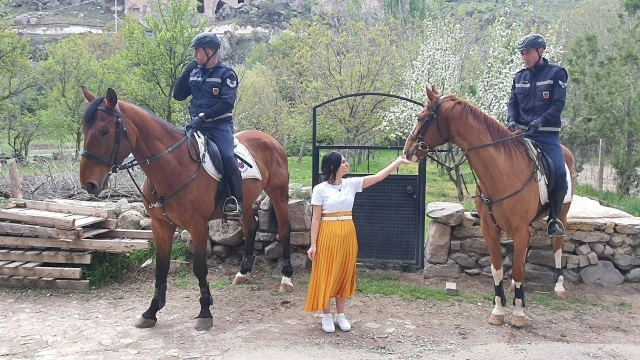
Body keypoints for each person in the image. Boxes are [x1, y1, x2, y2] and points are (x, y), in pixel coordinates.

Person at [304, 152, 411, 333]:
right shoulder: (320, 189)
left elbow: (377, 177)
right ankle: (326, 315)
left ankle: (340, 314)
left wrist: (397, 162)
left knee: (344, 271)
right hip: (328, 233)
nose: (347, 164)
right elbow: (315, 219)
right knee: (327, 272)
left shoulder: (351, 184)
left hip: (347, 232)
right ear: (333, 166)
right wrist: (313, 244)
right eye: (343, 162)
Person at [173, 32, 242, 219]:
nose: (195, 55)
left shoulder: (226, 74)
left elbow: (227, 103)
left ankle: (235, 201)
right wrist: (185, 73)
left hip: (219, 126)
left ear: (210, 51)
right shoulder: (194, 73)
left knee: (227, 157)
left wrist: (204, 117)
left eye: (197, 51)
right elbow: (178, 95)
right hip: (196, 126)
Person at [507, 33, 569, 237]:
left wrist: (539, 121)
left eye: (528, 53)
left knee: (560, 172)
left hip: (546, 135)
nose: (524, 57)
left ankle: (554, 218)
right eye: (522, 53)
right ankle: (490, 208)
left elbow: (558, 105)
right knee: (495, 161)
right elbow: (513, 104)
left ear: (540, 51)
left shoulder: (557, 73)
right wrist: (511, 120)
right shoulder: (519, 76)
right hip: (521, 134)